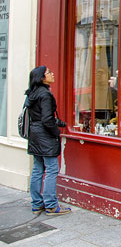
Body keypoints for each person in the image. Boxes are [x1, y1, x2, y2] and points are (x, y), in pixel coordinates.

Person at [26, 66, 71, 216]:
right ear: (42, 78)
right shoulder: (45, 94)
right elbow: (46, 119)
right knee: (52, 169)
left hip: (34, 134)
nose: (52, 74)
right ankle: (51, 205)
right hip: (45, 136)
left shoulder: (31, 93)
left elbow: (38, 116)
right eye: (49, 72)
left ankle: (36, 204)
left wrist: (59, 122)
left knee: (38, 169)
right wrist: (56, 131)